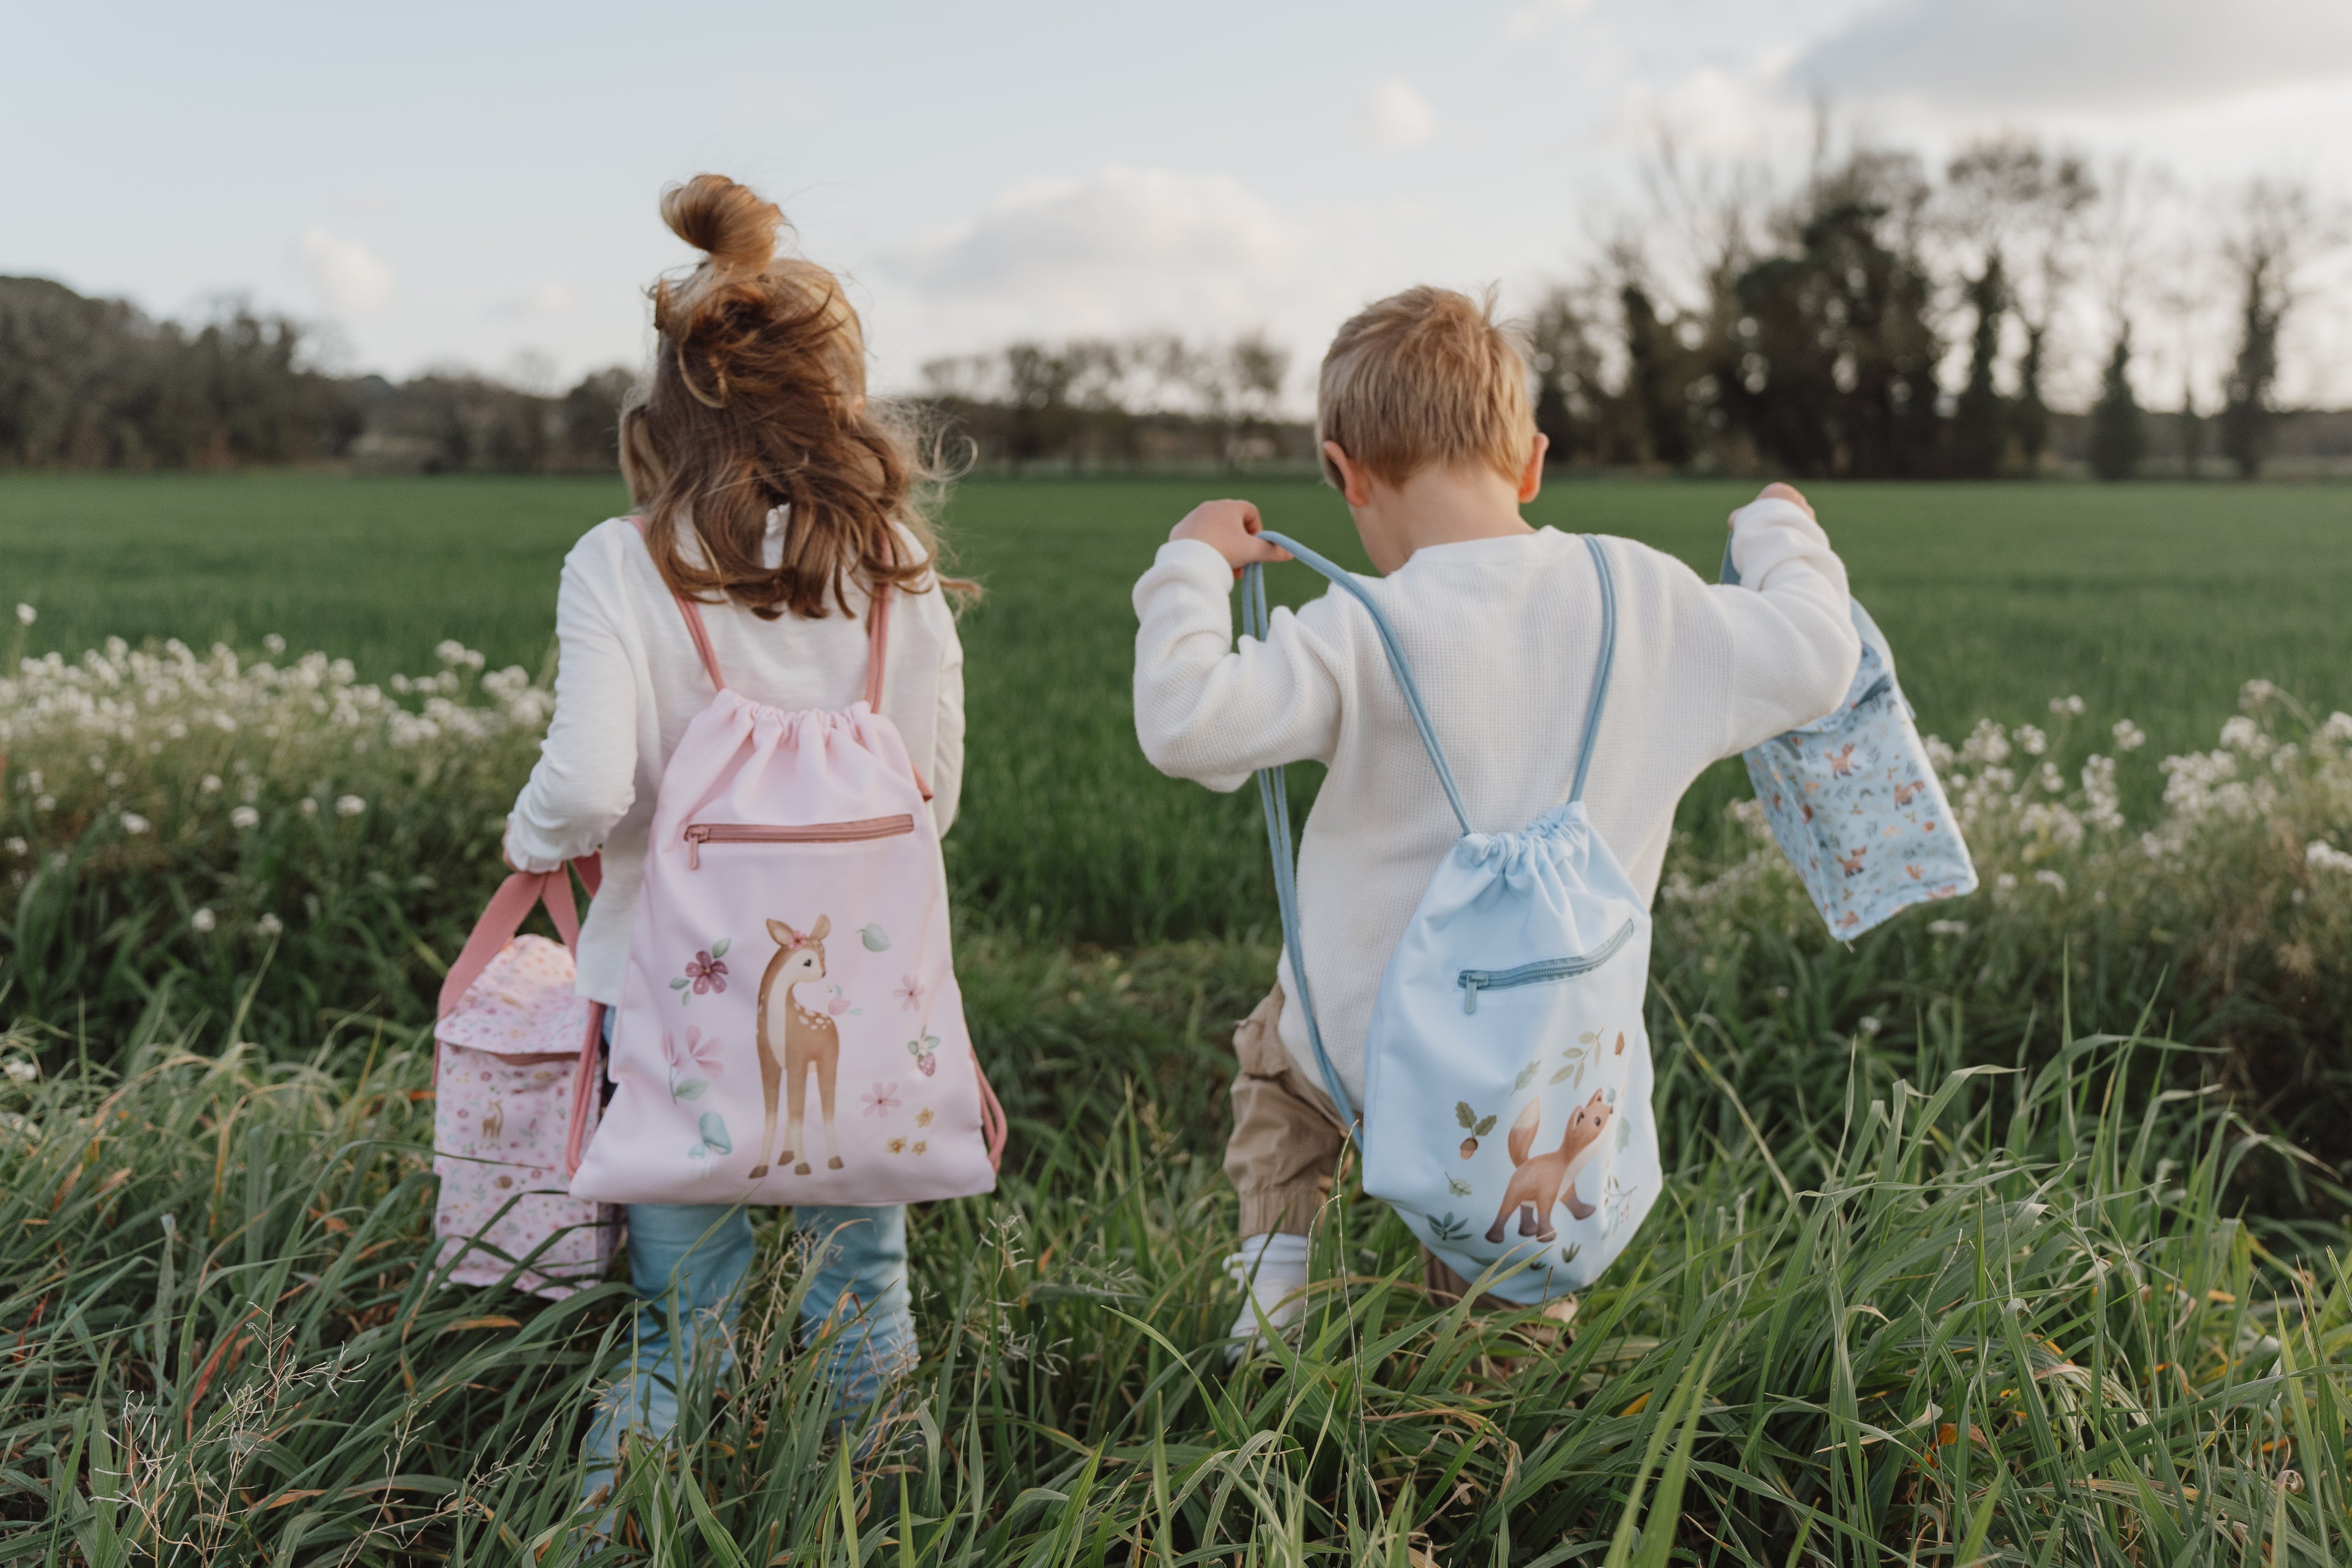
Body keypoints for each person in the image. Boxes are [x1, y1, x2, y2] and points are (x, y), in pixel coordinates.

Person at [1129, 285, 1860, 1344]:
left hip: (1356, 1039)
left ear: (1345, 471)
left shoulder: (1362, 622)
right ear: (1532, 463)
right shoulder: (1648, 600)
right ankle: (1496, 1398)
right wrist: (1780, 530)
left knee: (1278, 1076)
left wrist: (1193, 563)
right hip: (1540, 1050)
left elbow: (1186, 723)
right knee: (1515, 1235)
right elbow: (1820, 656)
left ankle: (1272, 1320)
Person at [500, 175, 970, 1504]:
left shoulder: (620, 560)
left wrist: (531, 840)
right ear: (840, 402)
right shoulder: (893, 563)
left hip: (664, 1000)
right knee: (866, 1303)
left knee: (678, 1323)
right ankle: (881, 1523)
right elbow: (931, 794)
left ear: (666, 409)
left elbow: (587, 785)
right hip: (861, 999)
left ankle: (618, 1529)